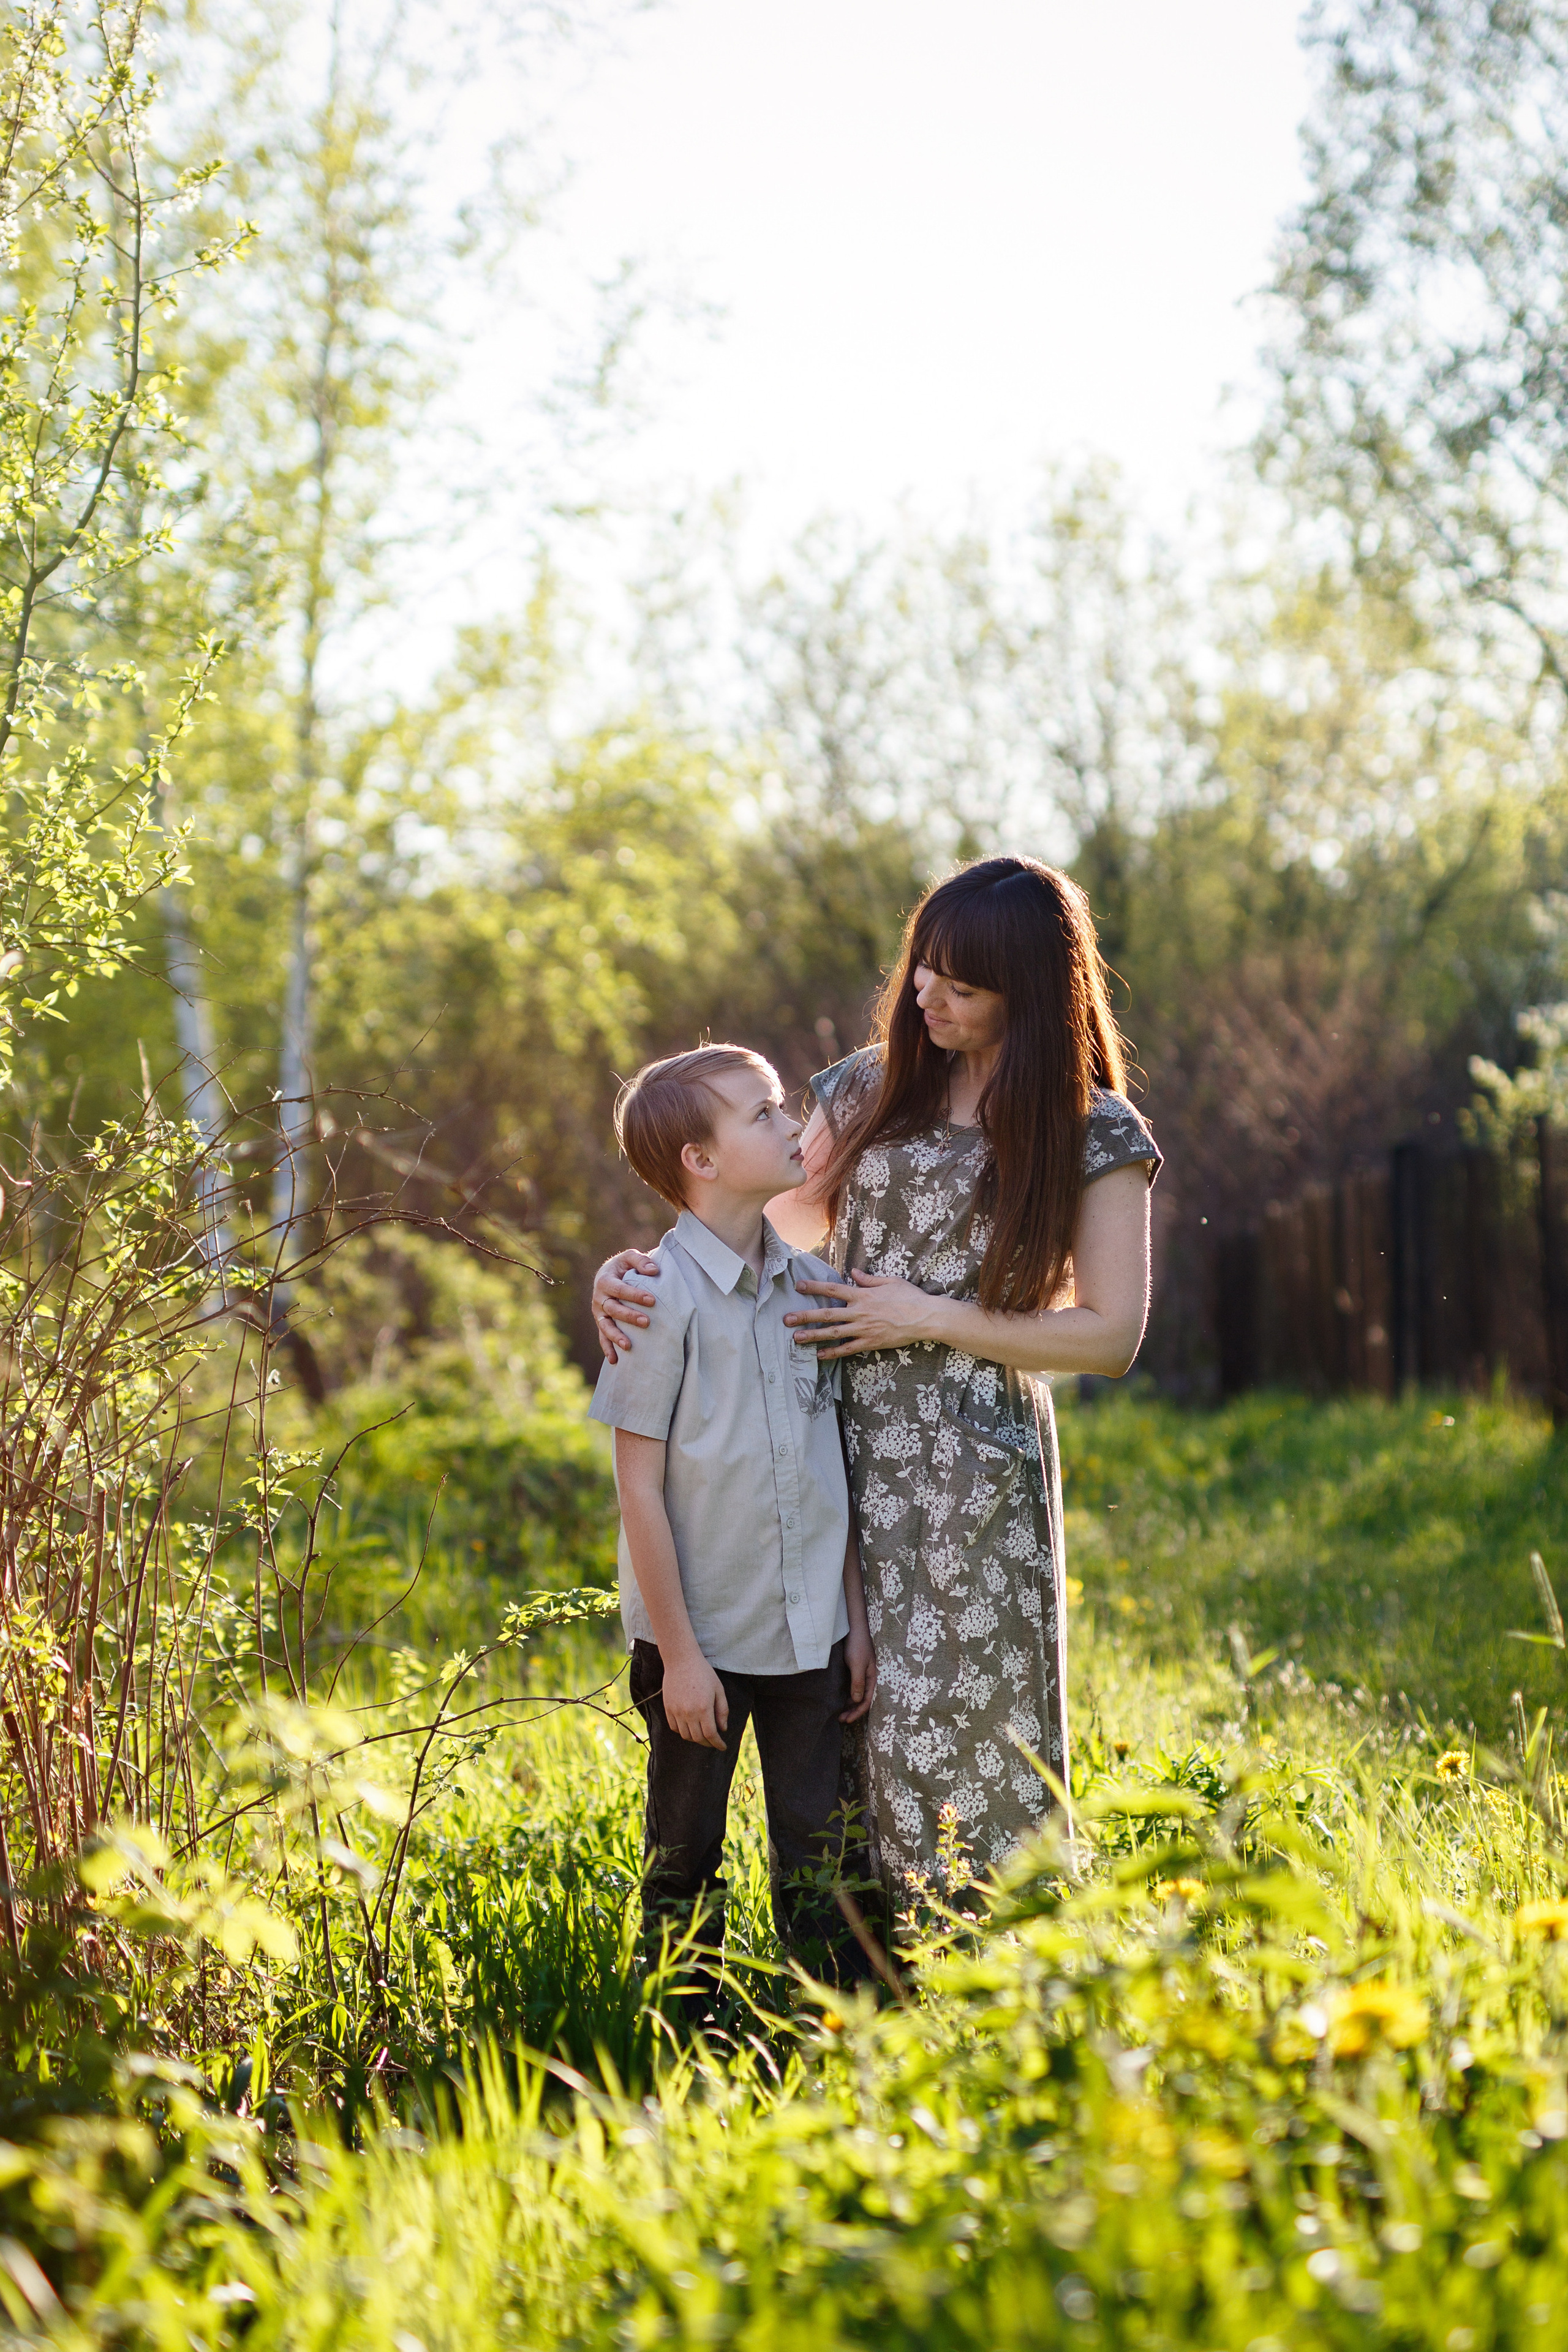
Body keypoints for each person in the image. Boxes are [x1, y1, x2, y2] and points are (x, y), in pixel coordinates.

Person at [593, 858, 1159, 1900]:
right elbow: (748, 1224)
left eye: (963, 986)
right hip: (818, 1442)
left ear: (1030, 991)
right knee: (838, 1727)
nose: (927, 999)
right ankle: (861, 1978)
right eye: (923, 972)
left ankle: (994, 1957)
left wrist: (929, 1317)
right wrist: (625, 1276)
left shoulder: (1093, 1130)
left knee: (970, 1719)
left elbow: (1112, 1335)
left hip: (966, 1471)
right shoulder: (870, 1085)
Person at [588, 1043, 876, 1976]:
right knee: (685, 1862)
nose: (794, 1125)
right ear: (700, 1162)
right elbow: (639, 1488)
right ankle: (687, 2047)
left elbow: (828, 1466)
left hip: (811, 1638)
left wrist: (856, 1625)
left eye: (783, 1107)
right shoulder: (652, 1298)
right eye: (763, 1113)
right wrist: (679, 1658)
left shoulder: (815, 1291)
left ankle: (839, 2039)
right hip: (699, 1646)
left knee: (823, 1860)